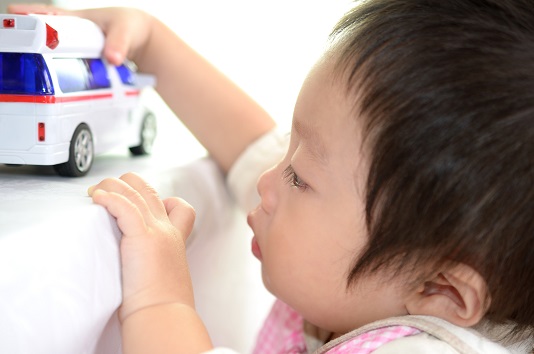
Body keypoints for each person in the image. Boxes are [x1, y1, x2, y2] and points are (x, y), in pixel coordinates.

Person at [9, 1, 534, 353]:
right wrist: (149, 43)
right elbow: (246, 141)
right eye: (290, 152)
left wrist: (161, 299)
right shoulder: (372, 263)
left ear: (441, 288)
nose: (267, 180)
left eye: (299, 177)